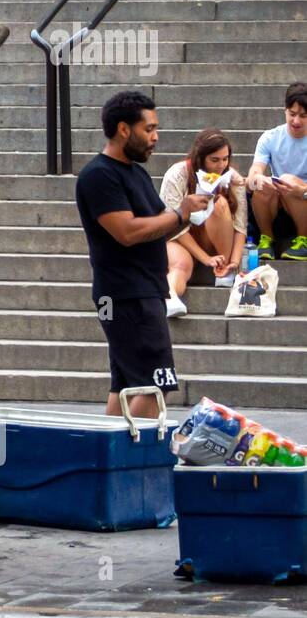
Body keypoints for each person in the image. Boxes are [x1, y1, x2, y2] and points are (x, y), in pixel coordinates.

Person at [75, 91, 211, 418]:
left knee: (123, 387)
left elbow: (159, 224)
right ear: (124, 129)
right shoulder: (99, 176)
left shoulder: (135, 173)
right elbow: (128, 231)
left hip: (139, 292)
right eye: (148, 129)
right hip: (127, 295)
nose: (155, 137)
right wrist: (180, 213)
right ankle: (127, 463)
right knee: (154, 385)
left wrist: (190, 212)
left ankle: (104, 465)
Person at [159, 128, 247, 317]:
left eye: (225, 159)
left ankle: (224, 270)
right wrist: (205, 259)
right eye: (214, 160)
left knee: (219, 203)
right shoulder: (177, 174)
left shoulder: (232, 178)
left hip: (215, 238)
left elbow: (240, 225)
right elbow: (172, 225)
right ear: (200, 158)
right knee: (181, 264)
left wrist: (234, 261)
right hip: (178, 236)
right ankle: (171, 296)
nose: (220, 165)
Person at [247, 81, 307, 261]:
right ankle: (266, 240)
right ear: (285, 110)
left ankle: (303, 241)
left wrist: (302, 191)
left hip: (302, 200)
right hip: (276, 204)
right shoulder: (270, 137)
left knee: (288, 180)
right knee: (264, 183)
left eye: (303, 116)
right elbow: (253, 174)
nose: (296, 121)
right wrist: (257, 179)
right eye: (292, 114)